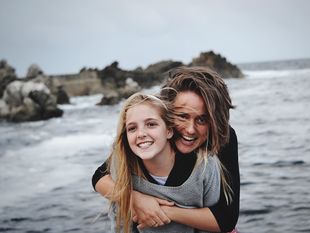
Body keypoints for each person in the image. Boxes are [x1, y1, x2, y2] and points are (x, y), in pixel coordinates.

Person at [92, 66, 240, 232]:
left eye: (202, 120)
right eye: (183, 116)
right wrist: (135, 199)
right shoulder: (151, 138)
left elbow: (226, 218)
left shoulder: (220, 140)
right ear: (167, 112)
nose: (190, 129)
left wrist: (162, 211)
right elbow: (100, 176)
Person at [107, 92, 223, 233]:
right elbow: (120, 225)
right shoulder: (122, 166)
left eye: (151, 124)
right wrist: (131, 197)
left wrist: (163, 211)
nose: (141, 133)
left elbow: (217, 221)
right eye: (132, 128)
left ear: (169, 130)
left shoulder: (204, 166)